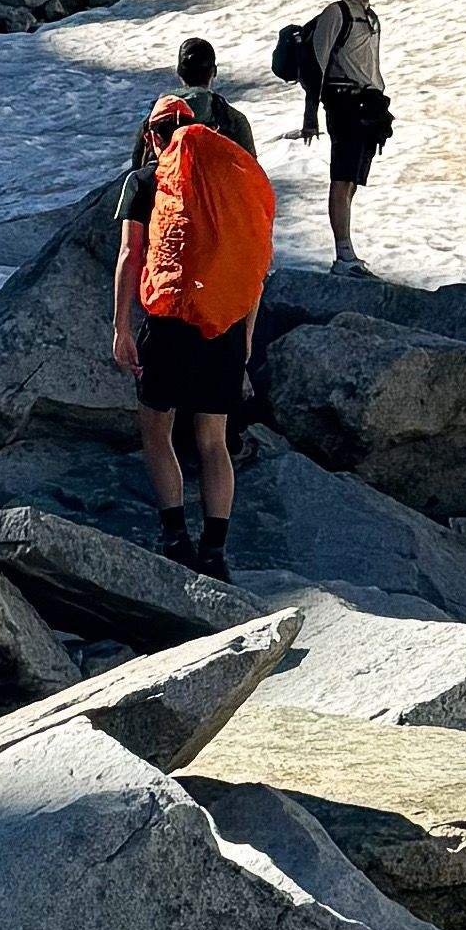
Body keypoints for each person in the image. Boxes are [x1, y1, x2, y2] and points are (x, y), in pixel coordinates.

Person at [115, 38, 269, 578]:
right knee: (213, 441)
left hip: (168, 322)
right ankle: (216, 551)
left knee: (157, 430)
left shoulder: (145, 178)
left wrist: (122, 327)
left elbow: (131, 255)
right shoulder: (229, 158)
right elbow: (251, 251)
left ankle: (175, 537)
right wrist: (246, 329)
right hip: (221, 320)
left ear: (153, 136)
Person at [294, 0, 390, 262]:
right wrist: (310, 116)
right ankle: (343, 254)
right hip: (345, 104)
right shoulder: (337, 13)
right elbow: (316, 66)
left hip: (368, 107)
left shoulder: (371, 17)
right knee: (342, 178)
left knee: (351, 181)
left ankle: (346, 252)